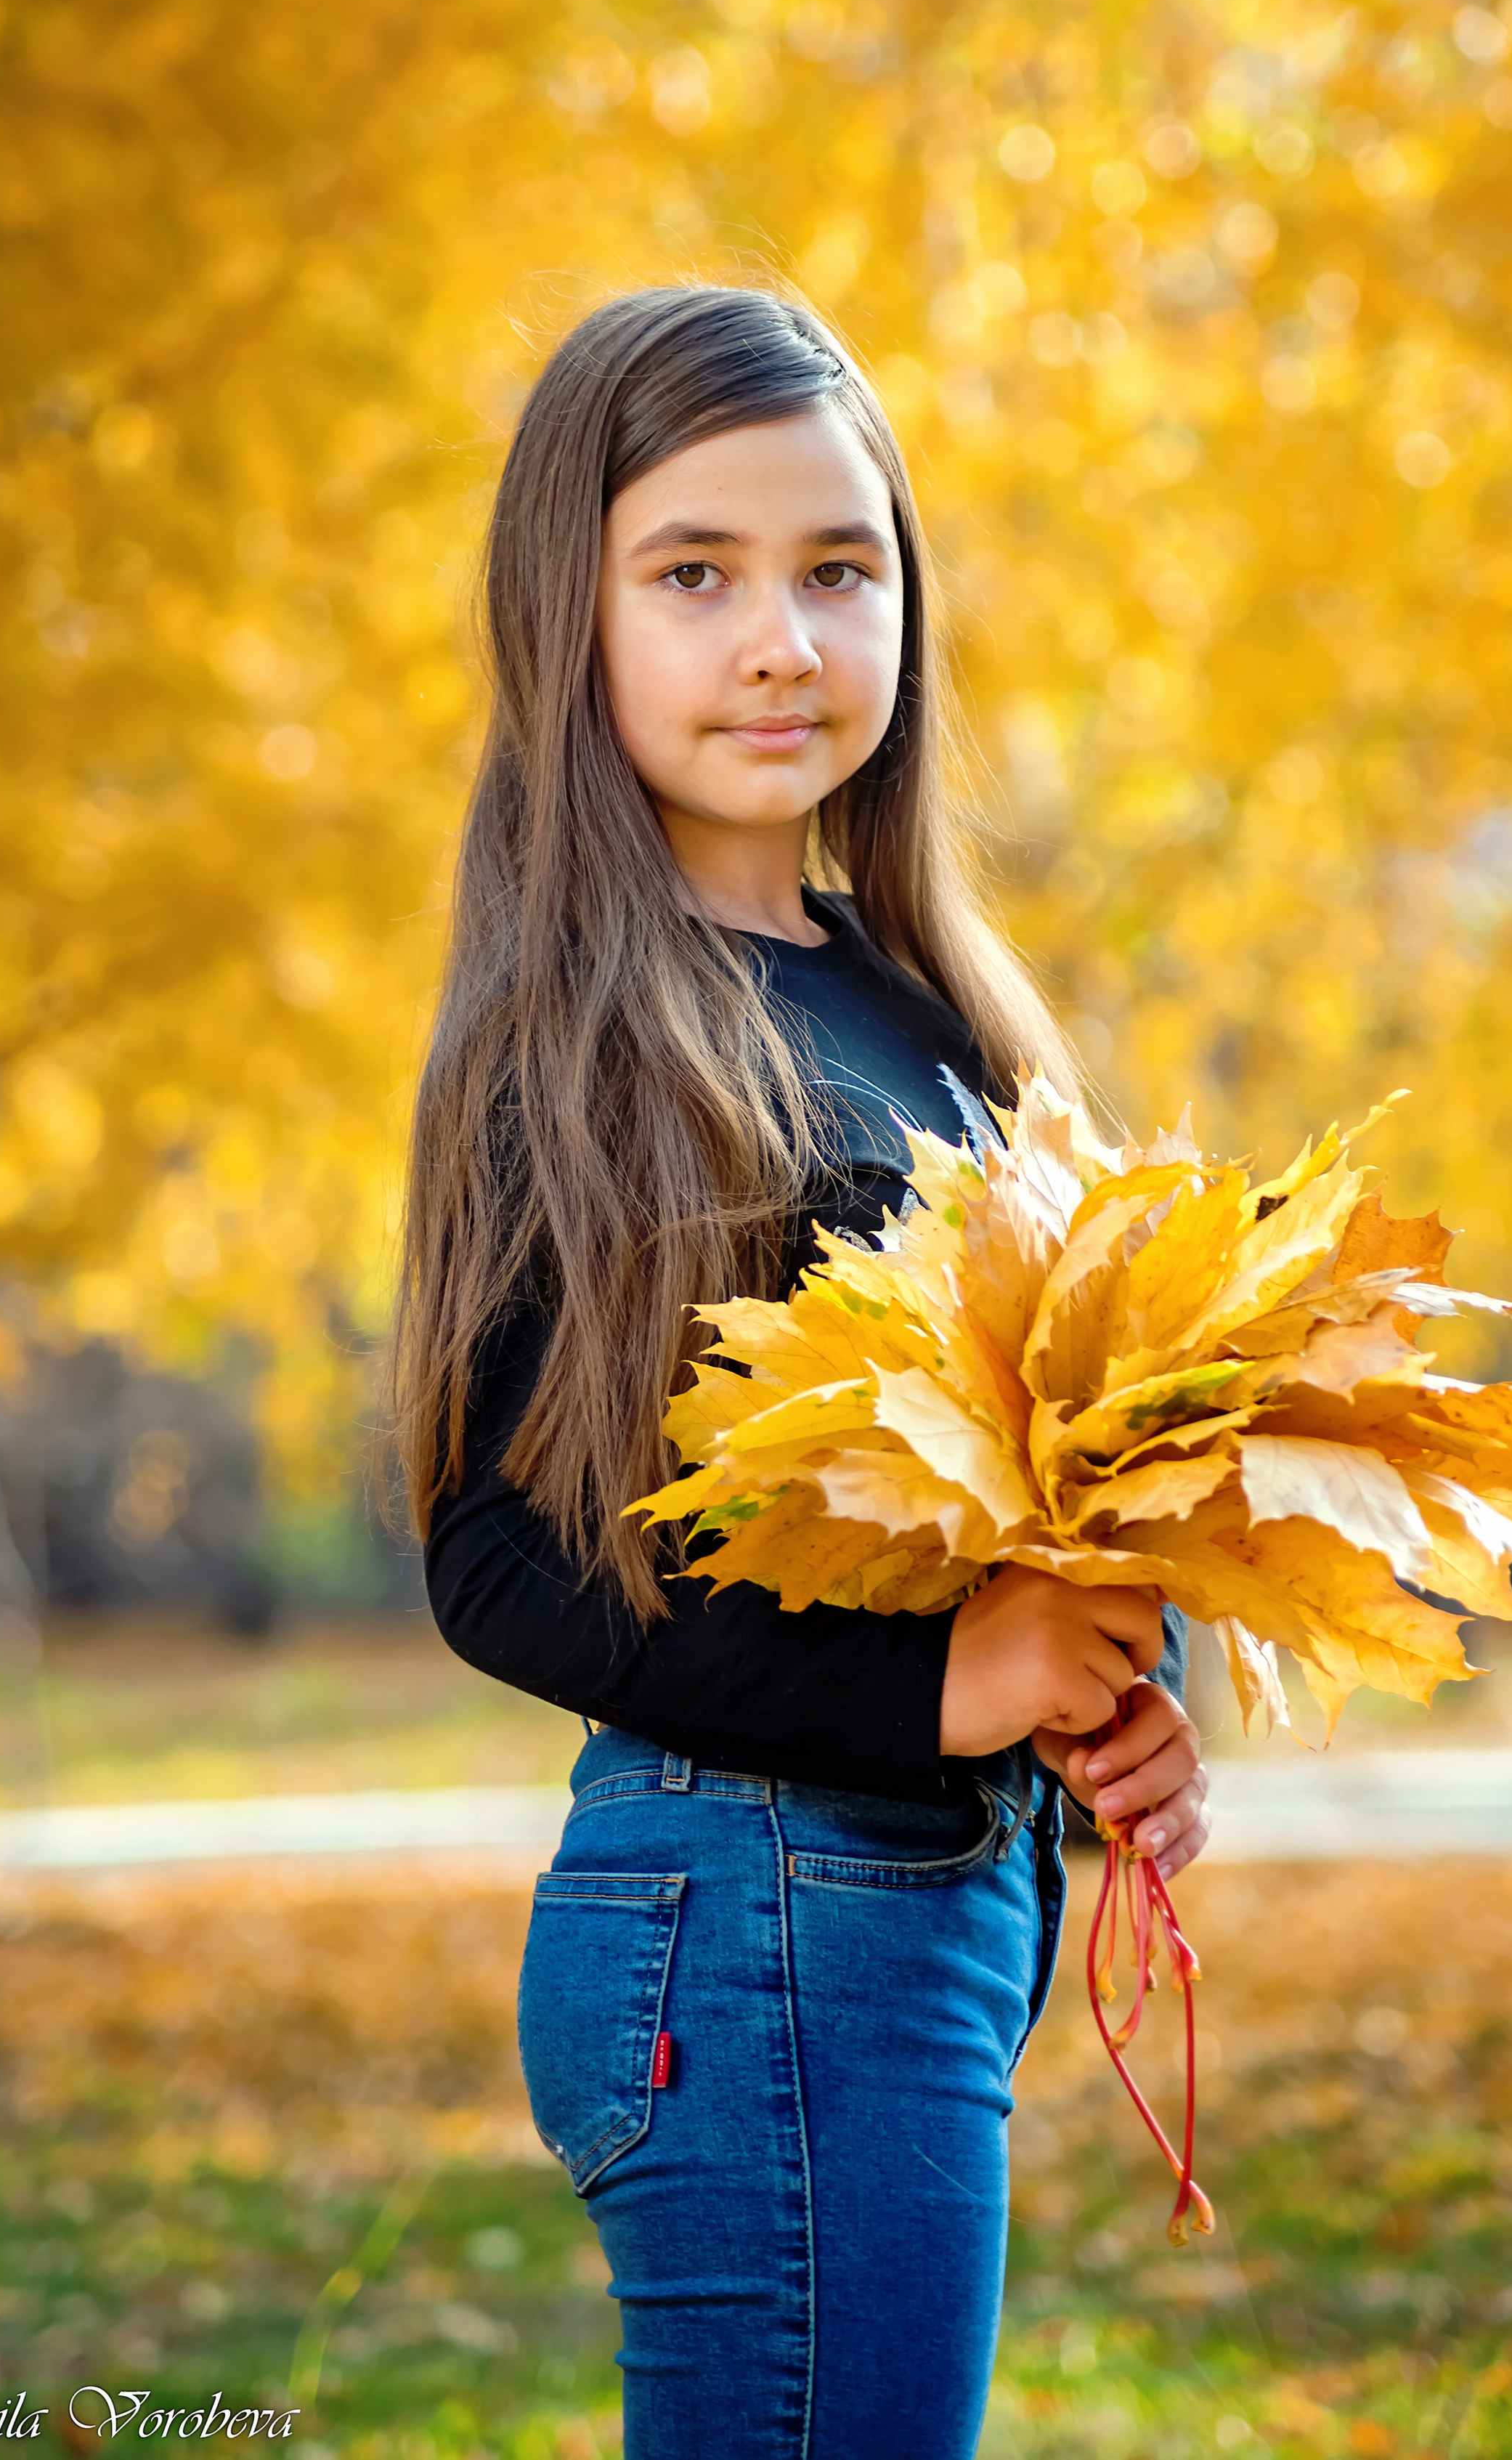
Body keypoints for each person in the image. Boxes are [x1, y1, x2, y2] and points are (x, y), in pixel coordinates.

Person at [391, 285, 1211, 2460]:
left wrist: (1130, 1696)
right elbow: (490, 1550)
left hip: (911, 1907)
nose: (782, 639)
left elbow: (1050, 1464)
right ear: (566, 617)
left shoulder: (932, 1007)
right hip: (751, 1912)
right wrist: (939, 1691)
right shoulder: (578, 1030)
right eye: (695, 574)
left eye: (840, 567)